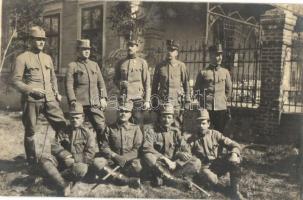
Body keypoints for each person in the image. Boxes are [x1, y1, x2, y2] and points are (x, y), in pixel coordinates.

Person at [12, 26, 66, 169]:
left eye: (43, 40)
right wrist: (31, 90)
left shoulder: (47, 58)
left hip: (50, 99)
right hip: (32, 101)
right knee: (30, 131)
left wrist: (56, 92)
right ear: (31, 40)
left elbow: (53, 77)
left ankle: (62, 157)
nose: (42, 42)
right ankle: (31, 162)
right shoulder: (22, 58)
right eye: (38, 39)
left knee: (62, 126)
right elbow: (15, 81)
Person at [187, 109, 245, 200]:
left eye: (203, 123)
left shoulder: (215, 134)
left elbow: (234, 144)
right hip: (204, 168)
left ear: (208, 124)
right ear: (195, 124)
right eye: (199, 123)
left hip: (217, 164)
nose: (201, 126)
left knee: (235, 159)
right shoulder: (191, 139)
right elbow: (188, 158)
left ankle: (235, 191)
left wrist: (234, 154)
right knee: (211, 178)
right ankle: (221, 188)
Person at [40, 103, 96, 196]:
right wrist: (66, 156)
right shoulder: (63, 130)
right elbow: (54, 145)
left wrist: (74, 159)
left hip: (77, 163)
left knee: (81, 169)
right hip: (62, 161)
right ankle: (63, 184)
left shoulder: (88, 133)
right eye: (72, 117)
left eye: (77, 118)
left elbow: (90, 154)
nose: (74, 120)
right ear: (69, 118)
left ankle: (53, 178)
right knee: (44, 158)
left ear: (82, 118)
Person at [142, 103, 201, 190]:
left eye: (169, 117)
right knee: (148, 155)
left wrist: (178, 155)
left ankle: (166, 179)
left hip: (173, 165)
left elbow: (186, 148)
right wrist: (164, 159)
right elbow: (147, 147)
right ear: (159, 117)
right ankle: (172, 180)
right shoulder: (151, 130)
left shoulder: (175, 132)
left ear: (173, 119)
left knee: (196, 162)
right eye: (164, 117)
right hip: (158, 164)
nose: (166, 120)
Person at [65, 39, 107, 150]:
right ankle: (79, 151)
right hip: (79, 103)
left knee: (101, 127)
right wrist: (72, 101)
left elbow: (101, 82)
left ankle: (104, 152)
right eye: (84, 49)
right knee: (79, 129)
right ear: (78, 51)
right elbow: (69, 85)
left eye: (88, 49)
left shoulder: (94, 65)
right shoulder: (73, 66)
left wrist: (103, 97)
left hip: (94, 103)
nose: (87, 51)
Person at [93, 100, 142, 188]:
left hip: (128, 162)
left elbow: (137, 148)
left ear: (130, 114)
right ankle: (129, 180)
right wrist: (115, 156)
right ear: (117, 112)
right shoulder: (109, 128)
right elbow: (104, 147)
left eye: (126, 111)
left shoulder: (136, 129)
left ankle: (116, 177)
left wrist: (124, 158)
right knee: (97, 163)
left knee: (138, 166)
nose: (123, 113)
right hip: (113, 161)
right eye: (121, 111)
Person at [151, 40, 191, 130]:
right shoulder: (160, 66)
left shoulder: (181, 66)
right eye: (168, 49)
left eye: (172, 50)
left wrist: (187, 101)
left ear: (176, 53)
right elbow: (154, 85)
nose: (170, 52)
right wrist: (154, 101)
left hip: (176, 102)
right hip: (162, 102)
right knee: (161, 126)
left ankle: (176, 143)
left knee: (177, 126)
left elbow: (186, 84)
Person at [194, 44, 232, 133]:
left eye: (221, 55)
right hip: (206, 107)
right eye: (217, 55)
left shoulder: (225, 72)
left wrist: (223, 99)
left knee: (219, 132)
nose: (219, 58)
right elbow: (196, 90)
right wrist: (202, 102)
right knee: (205, 131)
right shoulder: (203, 72)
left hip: (221, 107)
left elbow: (228, 89)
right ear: (211, 55)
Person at [114, 37, 151, 125]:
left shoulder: (142, 63)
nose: (130, 48)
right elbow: (115, 79)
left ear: (137, 47)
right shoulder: (120, 63)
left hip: (137, 98)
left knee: (137, 122)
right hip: (124, 97)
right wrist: (120, 83)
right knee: (123, 122)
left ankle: (139, 138)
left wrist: (147, 100)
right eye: (128, 45)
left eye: (132, 46)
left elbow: (147, 83)